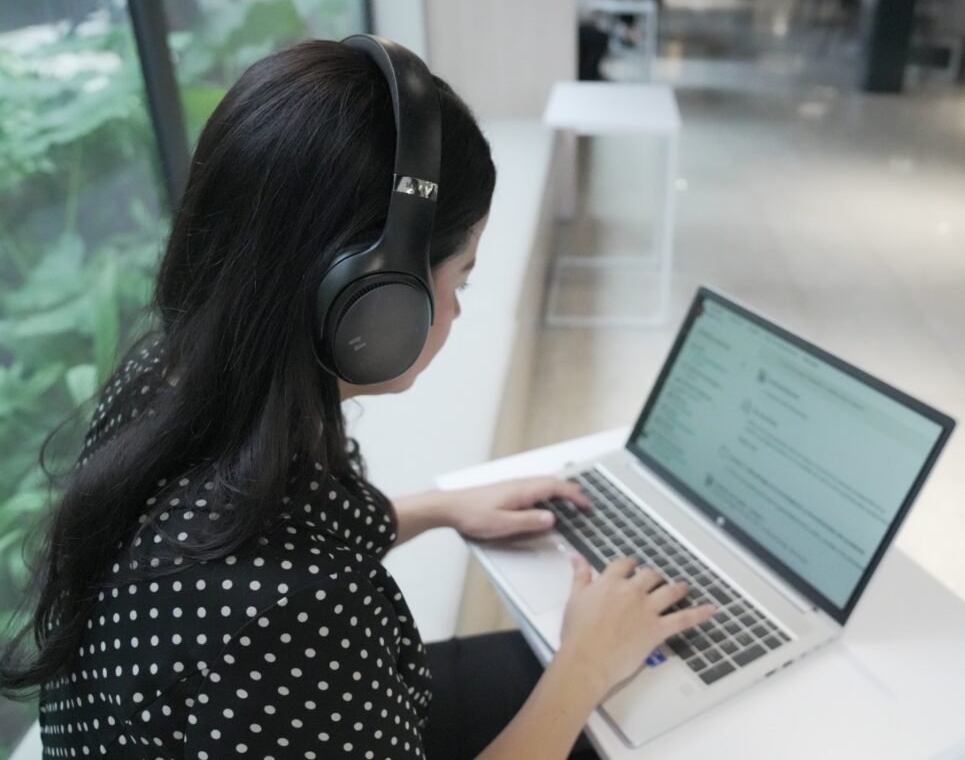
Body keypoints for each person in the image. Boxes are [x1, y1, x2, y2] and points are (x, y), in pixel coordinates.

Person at [0, 38, 716, 758]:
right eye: (460, 279)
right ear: (378, 301)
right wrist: (585, 664)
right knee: (624, 707)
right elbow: (281, 593)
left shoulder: (165, 381)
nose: (457, 310)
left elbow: (270, 522)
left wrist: (438, 509)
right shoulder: (290, 619)